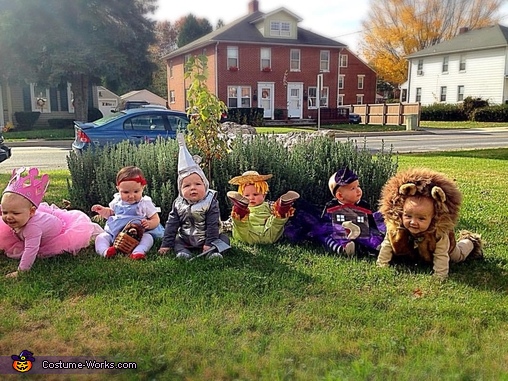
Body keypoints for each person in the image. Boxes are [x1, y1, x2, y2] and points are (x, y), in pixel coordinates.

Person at [376, 167, 483, 279]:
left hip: (447, 251)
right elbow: (387, 245)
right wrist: (382, 264)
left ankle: (470, 241)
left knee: (457, 256)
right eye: (408, 216)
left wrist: (440, 276)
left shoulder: (438, 234)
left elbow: (441, 256)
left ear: (434, 217)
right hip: (414, 251)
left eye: (421, 219)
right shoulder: (396, 228)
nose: (413, 222)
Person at [0, 167, 103, 278]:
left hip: (56, 232)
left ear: (31, 212)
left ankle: (96, 233)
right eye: (5, 212)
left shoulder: (32, 228)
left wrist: (21, 271)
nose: (8, 217)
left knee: (82, 232)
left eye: (15, 213)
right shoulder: (19, 216)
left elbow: (31, 250)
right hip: (40, 221)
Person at [158, 133, 229, 260]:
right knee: (177, 241)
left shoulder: (210, 201)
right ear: (180, 189)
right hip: (186, 238)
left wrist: (209, 243)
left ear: (205, 185)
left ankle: (213, 253)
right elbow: (171, 225)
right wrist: (166, 244)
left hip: (209, 237)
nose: (193, 188)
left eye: (197, 184)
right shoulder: (178, 204)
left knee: (224, 239)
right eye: (187, 186)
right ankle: (183, 252)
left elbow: (212, 225)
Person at [91, 166, 164, 260]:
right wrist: (102, 210)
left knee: (148, 238)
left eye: (136, 191)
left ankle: (138, 252)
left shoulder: (144, 203)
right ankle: (105, 251)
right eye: (126, 192)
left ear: (143, 187)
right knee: (101, 237)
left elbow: (156, 219)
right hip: (116, 232)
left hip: (138, 234)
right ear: (118, 189)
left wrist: (149, 224)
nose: (131, 196)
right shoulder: (117, 201)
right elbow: (111, 213)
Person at [226, 170, 300, 244]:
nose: (251, 198)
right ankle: (240, 209)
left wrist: (278, 212)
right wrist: (223, 226)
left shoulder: (269, 205)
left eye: (255, 194)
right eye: (246, 196)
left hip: (268, 233)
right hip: (248, 234)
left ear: (264, 195)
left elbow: (275, 217)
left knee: (277, 221)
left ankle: (283, 206)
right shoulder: (248, 208)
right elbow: (230, 223)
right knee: (239, 223)